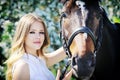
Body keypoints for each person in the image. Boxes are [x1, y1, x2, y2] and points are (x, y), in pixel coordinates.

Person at [5, 13, 72, 80]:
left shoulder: (41, 60)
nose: (38, 37)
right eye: (32, 32)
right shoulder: (22, 66)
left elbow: (68, 48)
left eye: (41, 32)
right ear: (23, 35)